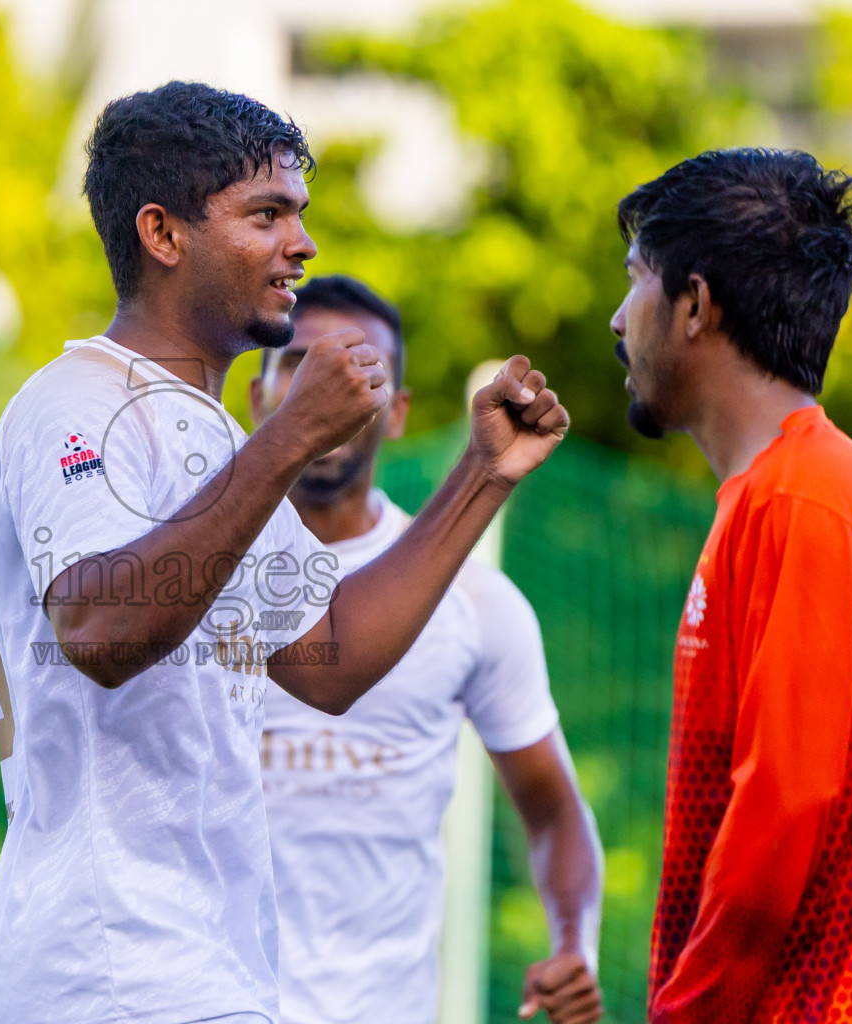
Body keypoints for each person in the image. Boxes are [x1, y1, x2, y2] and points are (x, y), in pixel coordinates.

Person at [0, 81, 570, 1024]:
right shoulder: (75, 403)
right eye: (267, 214)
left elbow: (329, 654)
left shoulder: (211, 437)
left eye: (300, 214)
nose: (303, 244)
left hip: (203, 971)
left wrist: (484, 474)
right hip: (113, 970)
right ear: (163, 234)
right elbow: (97, 626)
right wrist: (288, 440)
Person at [610, 148, 852, 1023]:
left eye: (635, 281)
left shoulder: (805, 500)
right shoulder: (785, 491)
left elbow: (785, 804)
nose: (618, 318)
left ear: (693, 304)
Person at [248, 275, 604, 1024]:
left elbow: (554, 810)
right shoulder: (188, 580)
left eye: (359, 369)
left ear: (398, 412)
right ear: (259, 394)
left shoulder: (478, 604)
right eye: (302, 364)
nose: (327, 386)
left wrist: (576, 942)